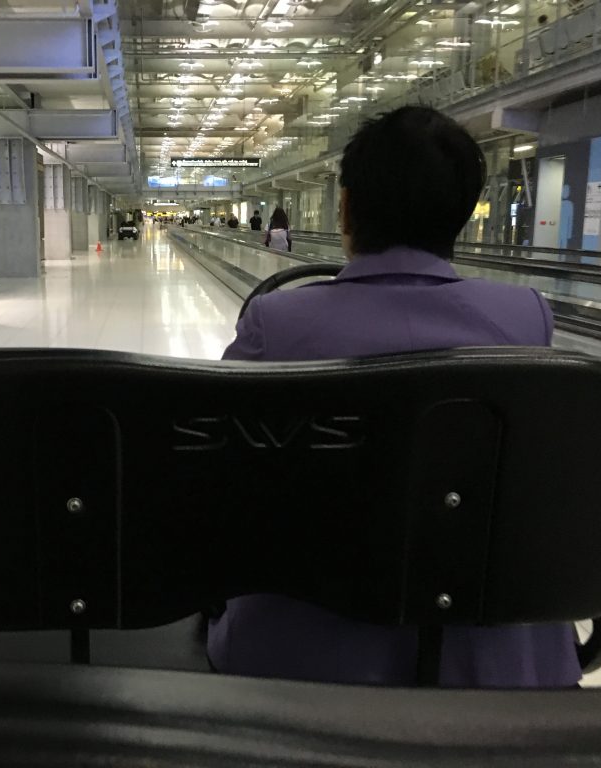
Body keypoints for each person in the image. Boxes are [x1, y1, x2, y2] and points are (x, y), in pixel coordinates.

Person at [209, 106, 577, 689]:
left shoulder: (277, 322)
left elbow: (218, 467)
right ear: (461, 214)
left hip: (298, 654)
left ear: (346, 208)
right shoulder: (525, 318)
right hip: (491, 658)